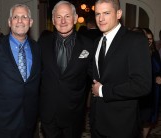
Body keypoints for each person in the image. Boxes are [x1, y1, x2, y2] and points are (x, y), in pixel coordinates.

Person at [91, 0, 152, 138]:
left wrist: (103, 90)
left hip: (122, 124)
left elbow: (142, 85)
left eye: (106, 13)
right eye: (97, 14)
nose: (101, 18)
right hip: (97, 122)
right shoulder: (97, 42)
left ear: (119, 13)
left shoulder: (135, 40)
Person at [38, 1, 94, 137]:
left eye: (67, 16)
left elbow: (97, 75)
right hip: (48, 113)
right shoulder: (42, 43)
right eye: (58, 17)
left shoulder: (88, 45)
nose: (63, 21)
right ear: (53, 20)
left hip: (74, 114)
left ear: (75, 19)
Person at [0, 4, 41, 138]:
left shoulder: (38, 48)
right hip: (3, 120)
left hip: (29, 118)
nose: (20, 21)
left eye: (24, 17)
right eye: (16, 17)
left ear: (31, 22)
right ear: (9, 22)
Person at [139, 28, 161, 138]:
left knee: (149, 117)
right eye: (146, 38)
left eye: (151, 38)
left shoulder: (154, 52)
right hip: (142, 87)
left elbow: (158, 67)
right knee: (140, 116)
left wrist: (159, 76)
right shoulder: (137, 52)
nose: (149, 41)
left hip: (154, 89)